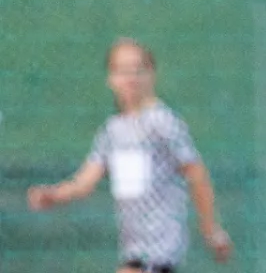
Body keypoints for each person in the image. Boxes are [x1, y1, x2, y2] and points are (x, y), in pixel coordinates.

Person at [28, 38, 233, 273]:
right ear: (110, 78)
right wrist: (53, 195)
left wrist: (211, 229)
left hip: (161, 251)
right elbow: (84, 182)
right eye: (122, 71)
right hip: (133, 250)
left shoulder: (163, 122)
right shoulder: (113, 130)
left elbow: (196, 173)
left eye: (138, 70)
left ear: (152, 74)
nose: (131, 78)